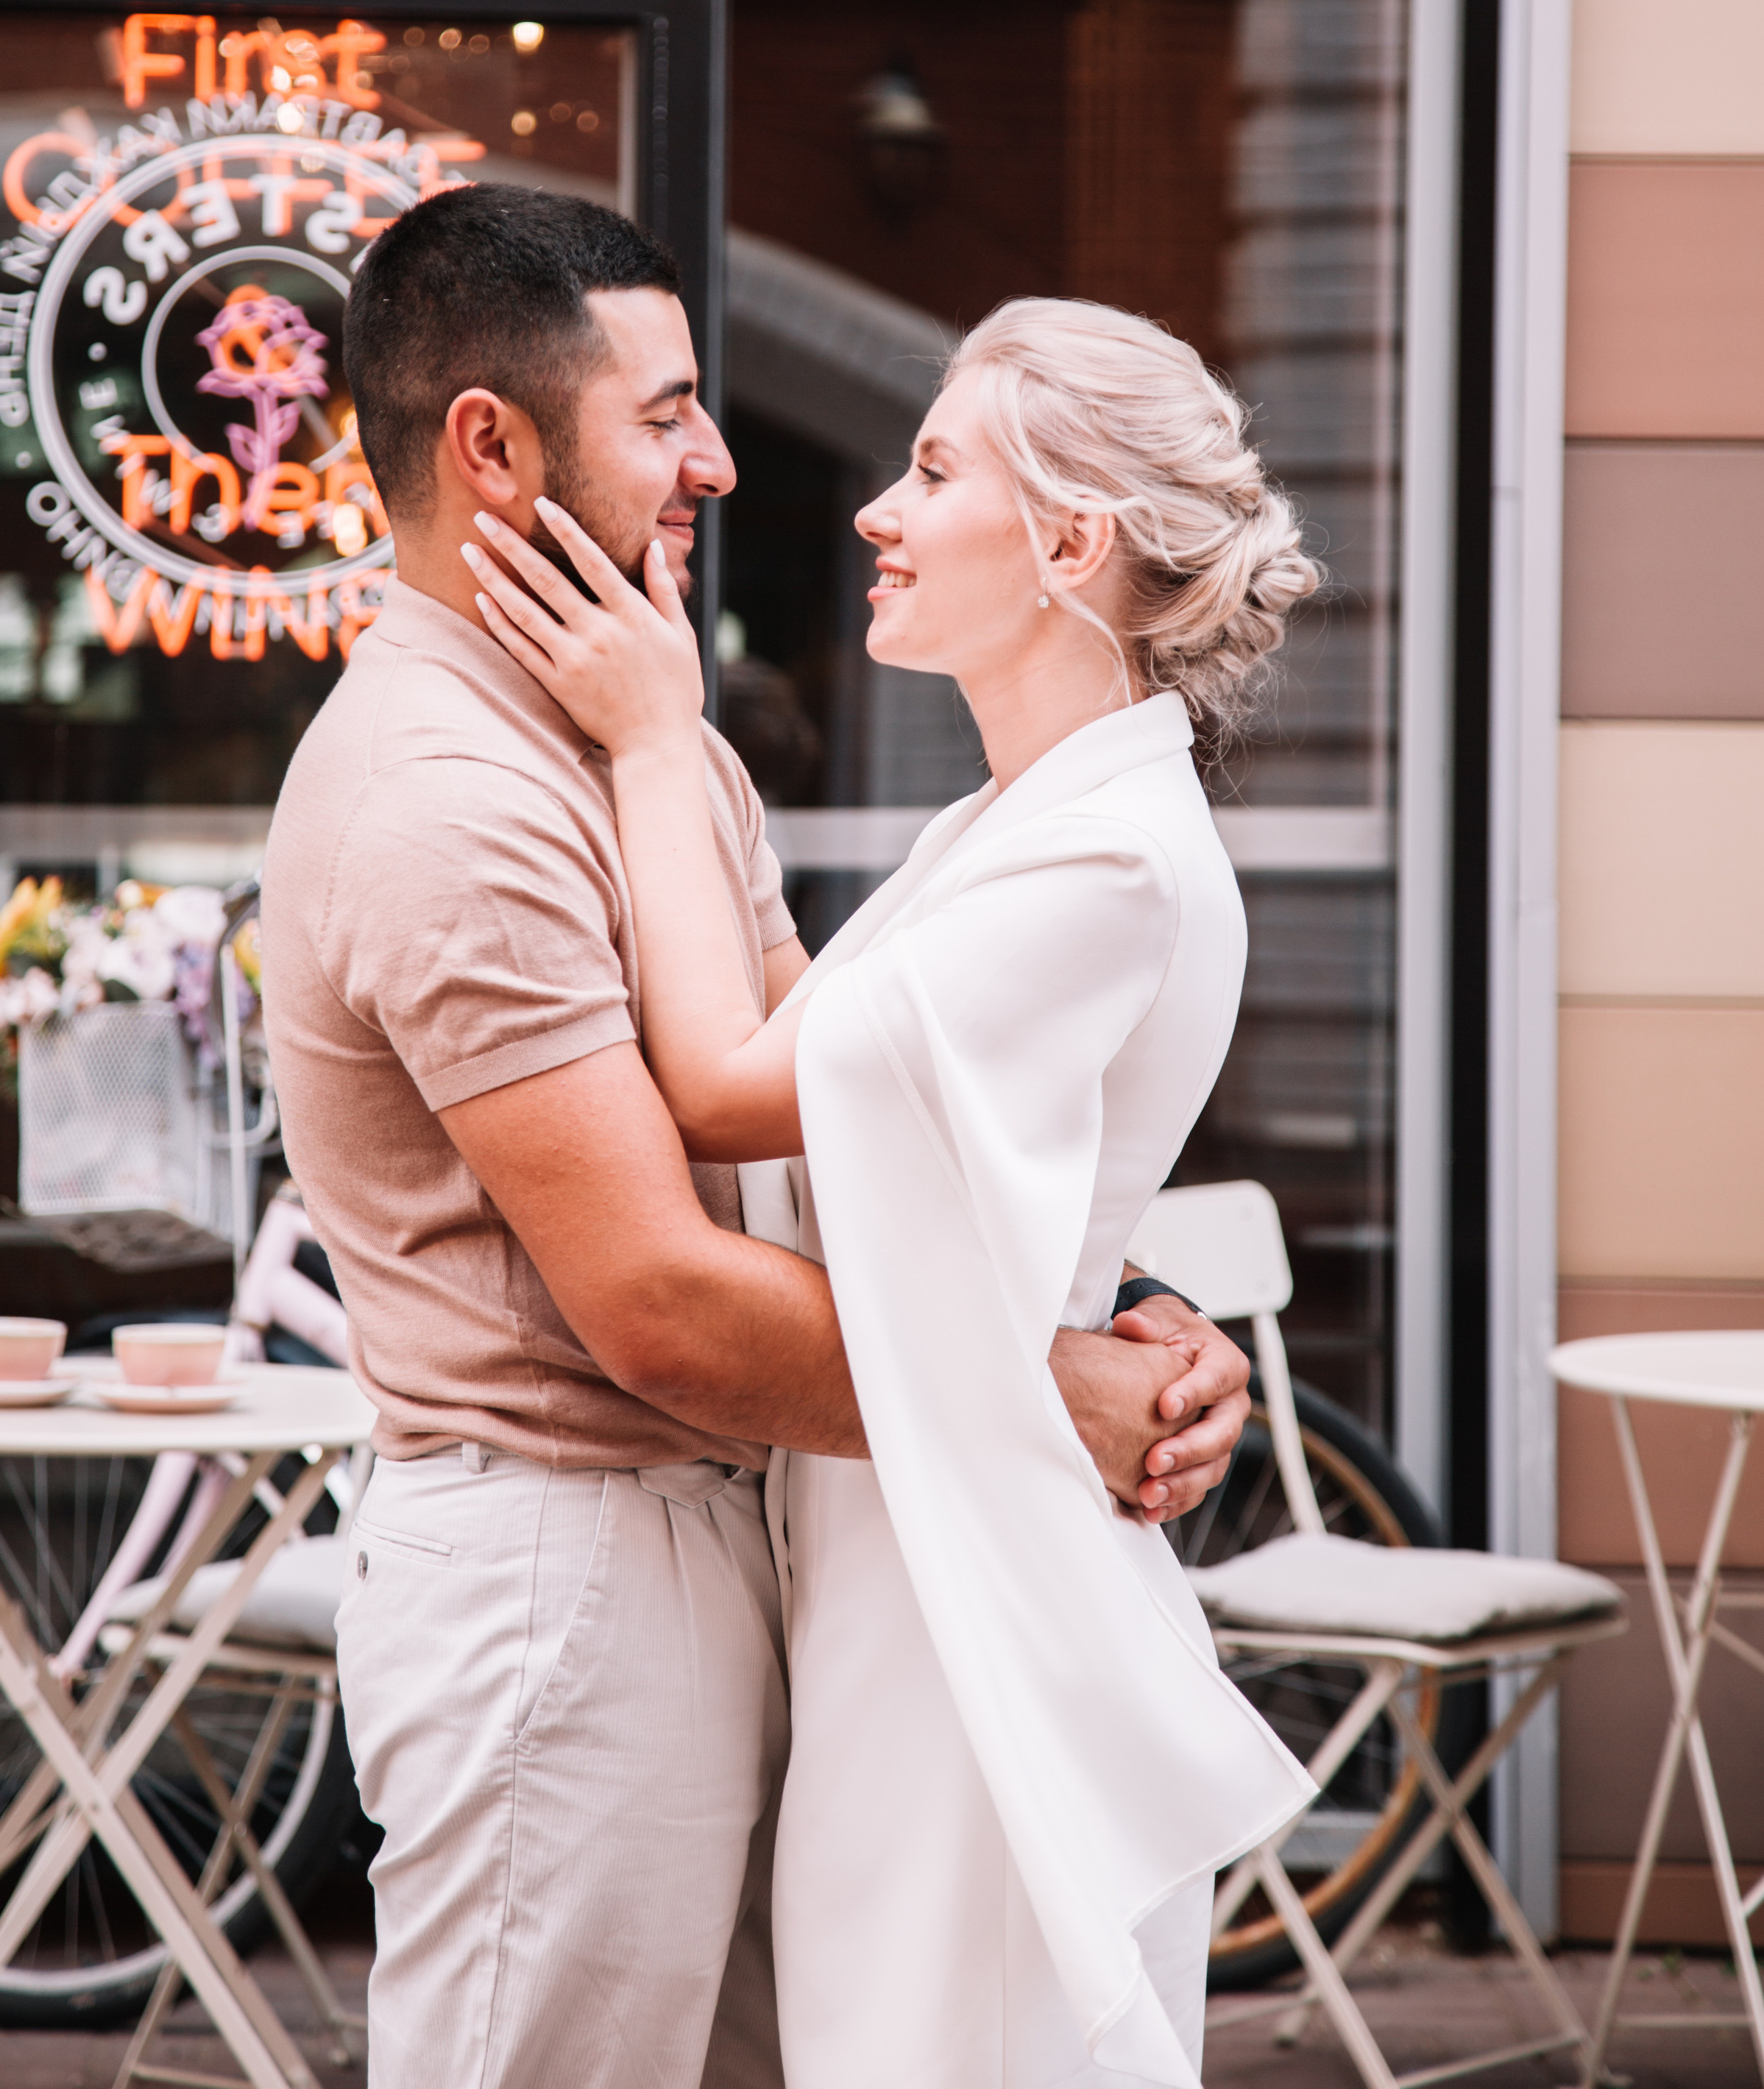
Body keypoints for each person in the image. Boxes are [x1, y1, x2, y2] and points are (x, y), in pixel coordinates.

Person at [261, 188, 1258, 2089]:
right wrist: (1049, 1390)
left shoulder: (654, 740)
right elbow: (654, 1304)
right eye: (669, 412)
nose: (722, 458)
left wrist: (1123, 1299)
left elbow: (836, 1121)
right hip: (569, 1582)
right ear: (494, 446)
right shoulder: (449, 798)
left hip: (748, 1543)